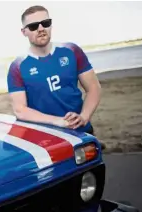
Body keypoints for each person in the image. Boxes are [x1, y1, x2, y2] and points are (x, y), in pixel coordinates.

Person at [7, 5, 103, 140]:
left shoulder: (71, 50)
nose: (41, 29)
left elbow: (94, 88)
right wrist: (59, 121)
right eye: (34, 26)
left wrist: (83, 117)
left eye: (45, 23)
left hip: (81, 131)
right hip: (45, 137)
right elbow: (20, 110)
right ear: (24, 32)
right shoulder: (18, 66)